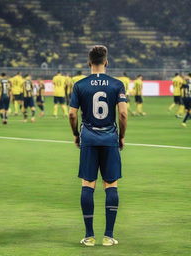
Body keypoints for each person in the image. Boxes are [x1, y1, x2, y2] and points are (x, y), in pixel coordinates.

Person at [69, 45, 127, 247]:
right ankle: (109, 236)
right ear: (106, 61)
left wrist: (76, 134)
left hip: (89, 138)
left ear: (89, 62)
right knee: (111, 184)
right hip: (110, 137)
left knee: (88, 184)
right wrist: (121, 136)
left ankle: (89, 236)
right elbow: (123, 114)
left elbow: (72, 114)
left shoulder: (80, 85)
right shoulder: (116, 84)